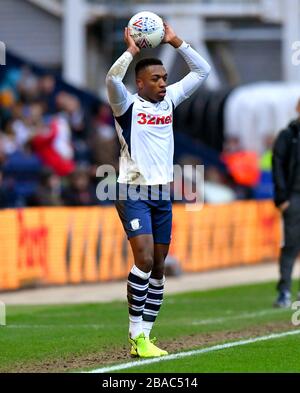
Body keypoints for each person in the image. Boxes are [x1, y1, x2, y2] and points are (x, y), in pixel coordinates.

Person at [105, 23, 210, 357]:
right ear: (139, 83)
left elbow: (202, 70)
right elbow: (110, 80)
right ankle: (135, 334)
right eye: (156, 79)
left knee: (160, 267)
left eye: (165, 78)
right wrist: (131, 52)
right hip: (132, 191)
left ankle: (145, 338)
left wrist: (175, 40)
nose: (163, 83)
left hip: (162, 194)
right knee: (146, 259)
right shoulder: (126, 106)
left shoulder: (169, 102)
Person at [272, 98, 300, 308]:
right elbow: (277, 165)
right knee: (290, 245)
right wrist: (282, 198)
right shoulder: (288, 135)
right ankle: (284, 291)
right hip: (294, 197)